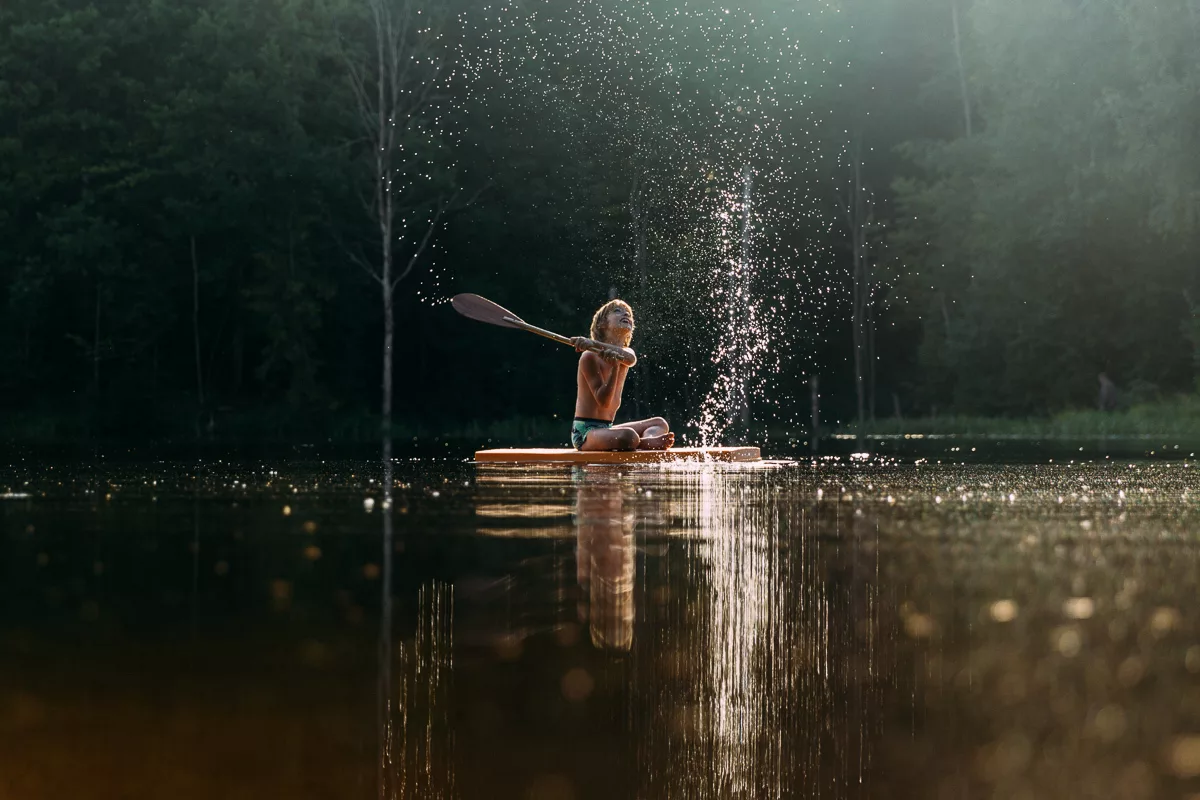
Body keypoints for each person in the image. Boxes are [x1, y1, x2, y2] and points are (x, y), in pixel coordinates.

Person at [568, 299, 675, 451]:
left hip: (606, 429)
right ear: (602, 324)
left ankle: (646, 440)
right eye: (617, 311)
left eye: (629, 313)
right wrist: (614, 368)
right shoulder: (589, 357)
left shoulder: (626, 354)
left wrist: (593, 344)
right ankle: (643, 443)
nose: (625, 313)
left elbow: (631, 359)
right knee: (628, 436)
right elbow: (603, 401)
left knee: (660, 423)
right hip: (585, 433)